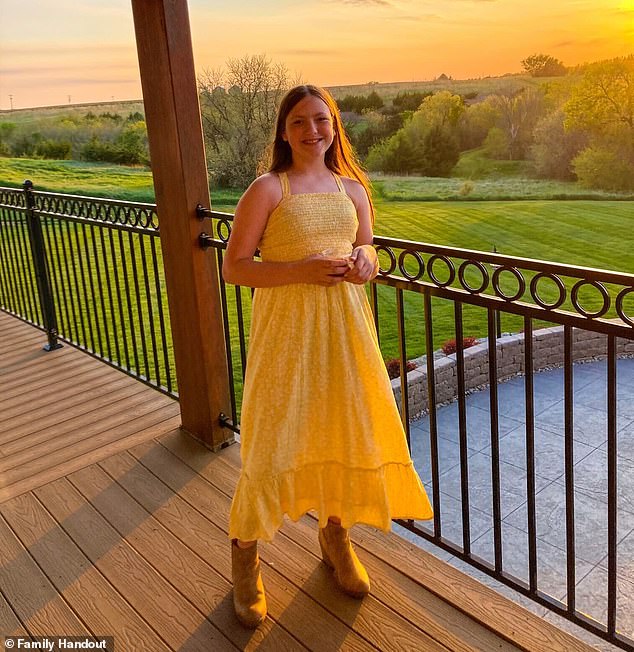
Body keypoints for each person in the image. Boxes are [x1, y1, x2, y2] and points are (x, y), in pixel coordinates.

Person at [222, 84, 433, 628]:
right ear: (283, 131)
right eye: (298, 121)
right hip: (286, 337)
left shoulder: (353, 189)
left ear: (334, 126)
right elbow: (236, 267)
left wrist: (366, 259)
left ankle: (335, 537)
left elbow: (368, 246)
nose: (311, 130)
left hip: (344, 334)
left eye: (320, 119)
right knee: (271, 440)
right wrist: (300, 270)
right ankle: (246, 558)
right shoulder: (269, 189)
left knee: (340, 429)